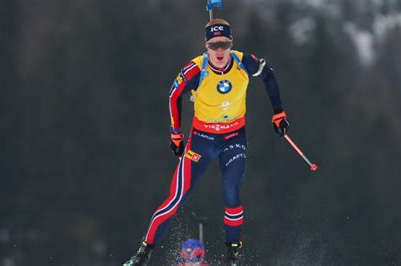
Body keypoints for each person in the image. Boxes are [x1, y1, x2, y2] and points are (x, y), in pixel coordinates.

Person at [124, 18, 289, 266]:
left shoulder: (244, 62)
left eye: (224, 44)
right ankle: (143, 252)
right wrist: (175, 133)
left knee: (231, 192)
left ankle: (232, 255)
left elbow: (269, 75)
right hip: (201, 140)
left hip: (234, 137)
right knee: (176, 198)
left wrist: (278, 113)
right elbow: (174, 95)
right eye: (214, 46)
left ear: (231, 43)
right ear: (206, 46)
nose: (220, 51)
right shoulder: (195, 69)